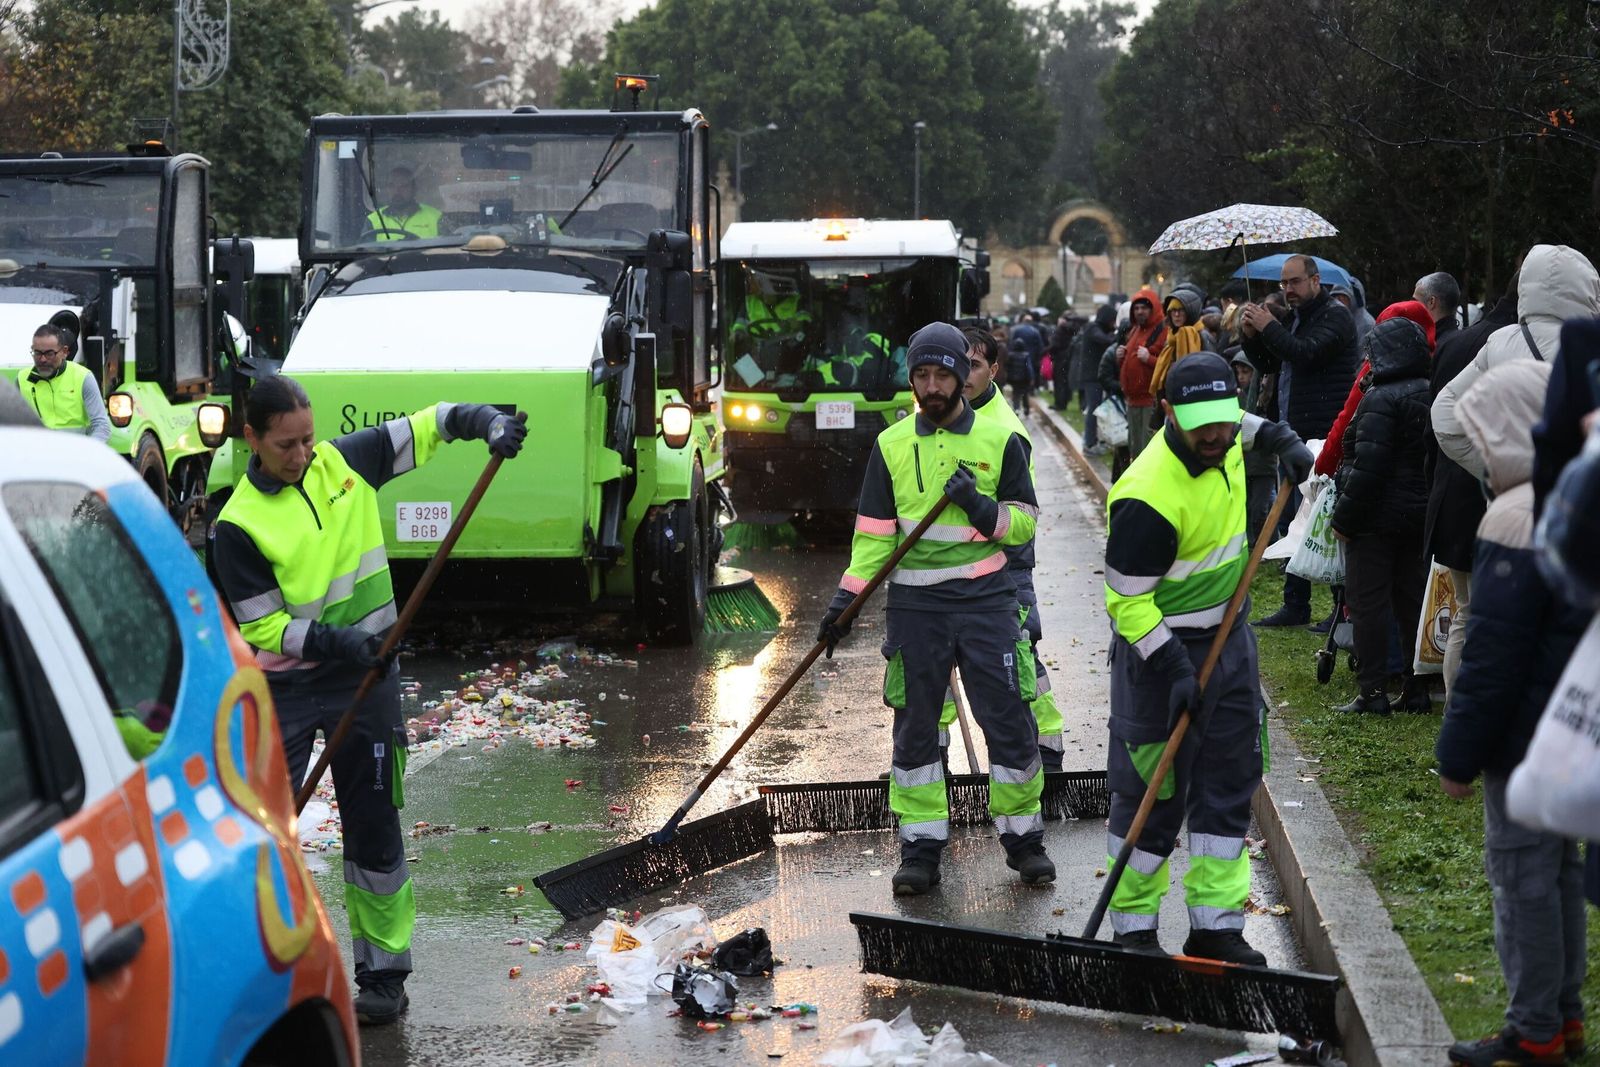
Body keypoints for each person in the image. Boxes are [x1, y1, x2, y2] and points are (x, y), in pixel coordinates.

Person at [209, 376, 526, 1024]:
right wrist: (340, 642)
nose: (303, 455)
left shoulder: (344, 461)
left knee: (374, 826)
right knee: (263, 829)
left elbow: (434, 423)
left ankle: (383, 976)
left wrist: (487, 422)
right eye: (286, 445)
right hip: (289, 685)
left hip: (367, 677)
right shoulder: (237, 525)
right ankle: (256, 968)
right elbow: (265, 628)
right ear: (253, 439)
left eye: (308, 438)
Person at [817, 322, 1053, 896]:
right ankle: (921, 848)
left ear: (961, 377)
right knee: (916, 730)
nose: (931, 385)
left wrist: (978, 505)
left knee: (1009, 721)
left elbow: (1022, 524)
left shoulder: (1000, 441)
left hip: (987, 601)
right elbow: (874, 537)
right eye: (920, 375)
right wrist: (845, 602)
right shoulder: (891, 446)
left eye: (941, 374)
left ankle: (1024, 842)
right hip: (916, 608)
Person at [1102, 353, 1312, 963]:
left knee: (1227, 783)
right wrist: (1171, 668)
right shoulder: (1145, 497)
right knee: (1153, 791)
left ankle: (1216, 929)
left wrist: (1286, 442)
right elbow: (1126, 602)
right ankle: (1134, 931)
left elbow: (1248, 425)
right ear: (1168, 414)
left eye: (1225, 422)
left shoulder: (1223, 430)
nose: (1219, 438)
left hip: (1230, 639)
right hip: (1158, 656)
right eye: (1204, 428)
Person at [1436, 359, 1588, 1067]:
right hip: (1568, 731)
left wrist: (1458, 755)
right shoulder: (1577, 495)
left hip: (1522, 738)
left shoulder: (1515, 515)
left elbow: (1493, 658)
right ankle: (1565, 1013)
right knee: (1556, 870)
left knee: (1522, 877)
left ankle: (1532, 1030)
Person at [944, 327, 1066, 769]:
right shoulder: (942, 414)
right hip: (944, 566)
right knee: (931, 662)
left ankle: (1046, 746)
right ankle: (930, 756)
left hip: (1002, 565)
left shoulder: (1005, 432)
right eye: (959, 362)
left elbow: (1015, 515)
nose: (964, 373)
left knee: (1016, 654)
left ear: (994, 370)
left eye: (975, 364)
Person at [1239, 253, 1360, 627]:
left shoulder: (1335, 316)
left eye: (1293, 282)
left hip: (1327, 434)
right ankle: (1296, 604)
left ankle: (1342, 609)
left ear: (1314, 279)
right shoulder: (1296, 319)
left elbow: (1306, 355)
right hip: (1296, 434)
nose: (1288, 290)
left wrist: (1269, 326)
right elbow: (1274, 362)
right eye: (1283, 283)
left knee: (1330, 521)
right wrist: (1251, 337)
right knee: (1293, 521)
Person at [1327, 317, 1434, 714]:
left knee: (1369, 604)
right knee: (1411, 604)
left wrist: (1344, 521)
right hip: (1418, 516)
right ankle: (1416, 687)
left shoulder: (1380, 398)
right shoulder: (1430, 391)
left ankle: (1372, 691)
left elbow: (1369, 468)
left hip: (1375, 521)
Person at [1424, 269, 1519, 697]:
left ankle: (1459, 710)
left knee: (1467, 611)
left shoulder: (1460, 341)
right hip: (1490, 495)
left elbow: (1438, 423)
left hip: (1453, 493)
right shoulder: (1512, 346)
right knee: (1490, 614)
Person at [1434, 245, 1600, 481]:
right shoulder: (1590, 347)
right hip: (1578, 506)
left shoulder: (1500, 341)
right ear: (1587, 288)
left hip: (1510, 508)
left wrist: (1500, 473)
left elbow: (1444, 417)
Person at [18, 324, 110, 443]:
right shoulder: (22, 379)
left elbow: (101, 426)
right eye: (37, 353)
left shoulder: (83, 378)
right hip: (37, 456)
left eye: (49, 353)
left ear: (64, 352)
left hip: (75, 455)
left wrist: (87, 454)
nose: (43, 359)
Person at [1117, 287, 1167, 462]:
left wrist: (1149, 359)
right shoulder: (1135, 330)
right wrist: (1120, 357)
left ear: (1152, 309)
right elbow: (1130, 362)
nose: (1139, 312)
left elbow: (1166, 362)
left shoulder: (1162, 330)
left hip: (1149, 400)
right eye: (1136, 308)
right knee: (1135, 449)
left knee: (1147, 451)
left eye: (1144, 308)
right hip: (1133, 401)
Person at [1148, 286, 1209, 402]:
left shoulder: (1201, 336)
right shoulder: (1171, 338)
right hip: (1171, 398)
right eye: (1172, 311)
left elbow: (1210, 370)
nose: (1176, 315)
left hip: (1194, 398)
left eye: (1181, 310)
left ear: (1190, 311)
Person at [367, 166, 444, 241]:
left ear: (414, 189)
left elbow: (447, 250)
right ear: (387, 189)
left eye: (403, 185)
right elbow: (366, 252)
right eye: (391, 185)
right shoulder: (373, 220)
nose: (397, 190)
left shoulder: (436, 217)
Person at [1080, 304, 1117, 456]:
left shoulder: (1096, 328)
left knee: (1096, 411)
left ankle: (1094, 441)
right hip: (1092, 377)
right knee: (1093, 411)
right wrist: (1118, 334)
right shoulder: (1093, 328)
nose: (1113, 324)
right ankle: (1089, 443)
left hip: (1095, 377)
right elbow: (1103, 340)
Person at [1412, 271, 1462, 349]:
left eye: (1416, 301)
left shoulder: (1429, 348)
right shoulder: (1460, 343)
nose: (1411, 306)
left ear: (1431, 302)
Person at [1005, 330, 1034, 416]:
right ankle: (1026, 409)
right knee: (1025, 394)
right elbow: (1029, 367)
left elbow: (1008, 367)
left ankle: (1016, 408)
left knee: (1016, 394)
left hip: (1014, 379)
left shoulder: (1011, 355)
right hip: (1024, 379)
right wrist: (1031, 377)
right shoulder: (1026, 355)